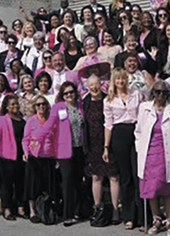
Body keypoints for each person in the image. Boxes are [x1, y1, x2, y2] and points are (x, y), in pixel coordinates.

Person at [135, 80, 170, 236]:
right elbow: (138, 131)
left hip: (167, 153)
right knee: (151, 189)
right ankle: (156, 220)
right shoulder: (144, 108)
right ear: (153, 93)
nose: (161, 95)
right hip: (149, 154)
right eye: (157, 92)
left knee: (168, 189)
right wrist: (139, 147)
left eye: (164, 92)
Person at [104, 68, 143, 230]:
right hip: (119, 135)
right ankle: (128, 216)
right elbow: (108, 125)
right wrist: (106, 147)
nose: (120, 81)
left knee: (137, 174)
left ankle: (142, 216)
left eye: (123, 79)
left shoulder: (137, 95)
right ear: (114, 81)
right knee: (125, 176)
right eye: (118, 79)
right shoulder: (108, 100)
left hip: (135, 132)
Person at [45, 80, 85, 227]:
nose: (69, 95)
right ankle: (68, 214)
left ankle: (77, 211)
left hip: (80, 148)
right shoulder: (58, 107)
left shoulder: (81, 106)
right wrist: (38, 139)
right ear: (62, 95)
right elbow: (49, 126)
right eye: (66, 93)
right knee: (67, 182)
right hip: (64, 150)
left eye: (71, 92)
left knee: (77, 180)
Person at [83, 74, 120, 227]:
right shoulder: (84, 102)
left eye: (96, 84)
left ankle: (116, 211)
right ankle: (97, 208)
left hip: (109, 143)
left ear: (101, 84)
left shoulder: (108, 99)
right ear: (87, 87)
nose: (94, 87)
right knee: (96, 177)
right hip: (92, 144)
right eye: (91, 85)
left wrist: (108, 144)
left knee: (114, 177)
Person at [22, 95, 55, 223]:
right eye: (38, 104)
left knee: (48, 185)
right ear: (35, 107)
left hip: (49, 156)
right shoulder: (31, 121)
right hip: (34, 156)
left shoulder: (51, 120)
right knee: (32, 185)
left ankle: (47, 210)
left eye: (43, 104)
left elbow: (56, 138)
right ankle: (32, 211)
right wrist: (26, 152)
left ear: (47, 106)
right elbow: (25, 139)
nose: (41, 106)